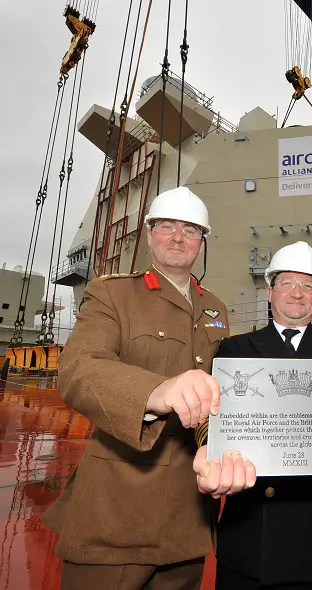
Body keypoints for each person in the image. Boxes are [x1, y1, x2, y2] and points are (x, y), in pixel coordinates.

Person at [41, 186, 229, 590]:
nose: (178, 237)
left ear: (202, 241)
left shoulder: (215, 307)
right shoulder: (113, 293)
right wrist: (157, 393)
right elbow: (80, 368)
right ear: (149, 233)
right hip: (118, 508)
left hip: (189, 511)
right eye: (167, 226)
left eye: (191, 230)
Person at [192, 241, 312, 590]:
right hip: (252, 535)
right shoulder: (234, 350)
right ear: (270, 293)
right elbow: (211, 416)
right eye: (287, 284)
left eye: (308, 285)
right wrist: (213, 448)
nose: (297, 294)